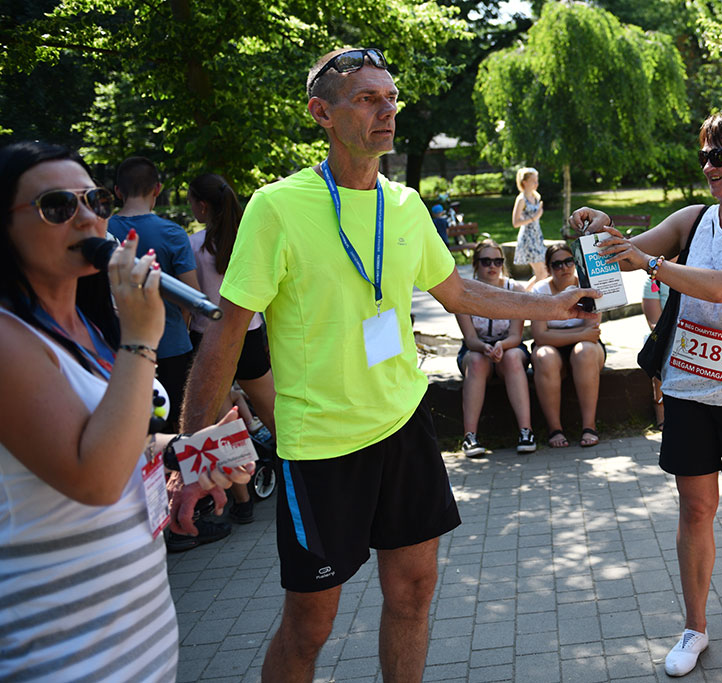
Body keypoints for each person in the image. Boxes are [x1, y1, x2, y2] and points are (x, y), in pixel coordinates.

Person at [177, 47, 597, 682]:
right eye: (367, 99)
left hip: (403, 426)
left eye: (391, 98)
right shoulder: (276, 207)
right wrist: (190, 452)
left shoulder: (404, 205)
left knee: (413, 592)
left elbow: (457, 291)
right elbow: (227, 332)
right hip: (318, 448)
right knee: (311, 623)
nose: (387, 111)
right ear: (322, 113)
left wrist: (549, 301)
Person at [0, 141, 250, 682]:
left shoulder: (87, 330)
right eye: (58, 206)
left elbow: (118, 447)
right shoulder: (7, 340)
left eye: (94, 199)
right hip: (59, 654)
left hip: (136, 641)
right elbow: (94, 478)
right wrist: (141, 337)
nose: (87, 215)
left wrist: (186, 458)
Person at [570, 113, 722, 677]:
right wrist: (602, 230)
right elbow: (618, 256)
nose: (708, 166)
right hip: (690, 389)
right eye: (704, 155)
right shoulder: (693, 220)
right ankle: (694, 628)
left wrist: (652, 264)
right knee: (695, 508)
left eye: (719, 156)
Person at [187, 172, 277, 525]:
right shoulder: (247, 239)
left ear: (202, 205)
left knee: (224, 425)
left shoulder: (194, 245)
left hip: (208, 341)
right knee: (276, 416)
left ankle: (242, 502)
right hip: (251, 336)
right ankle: (300, 482)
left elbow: (191, 302)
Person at [107, 156, 201, 432]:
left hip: (118, 347)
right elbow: (191, 296)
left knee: (129, 430)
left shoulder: (103, 232)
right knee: (175, 428)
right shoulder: (173, 233)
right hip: (171, 345)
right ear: (157, 189)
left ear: (117, 192)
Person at [456, 239, 536, 458]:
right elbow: (470, 338)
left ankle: (525, 432)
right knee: (476, 361)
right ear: (476, 264)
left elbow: (515, 336)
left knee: (511, 358)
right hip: (476, 349)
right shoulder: (463, 292)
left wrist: (500, 345)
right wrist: (484, 347)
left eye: (498, 261)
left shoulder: (515, 290)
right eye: (486, 261)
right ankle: (470, 437)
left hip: (509, 347)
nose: (492, 266)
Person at [530, 242, 606, 448]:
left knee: (586, 351)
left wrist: (562, 334)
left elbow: (592, 334)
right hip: (553, 350)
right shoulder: (540, 290)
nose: (563, 268)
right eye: (557, 264)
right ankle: (555, 429)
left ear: (575, 263)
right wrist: (580, 333)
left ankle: (589, 426)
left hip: (585, 349)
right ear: (548, 268)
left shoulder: (587, 287)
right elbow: (539, 338)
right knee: (543, 356)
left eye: (568, 261)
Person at [642, 264, 672, 430]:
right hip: (665, 334)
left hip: (690, 335)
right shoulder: (654, 283)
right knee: (662, 349)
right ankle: (660, 408)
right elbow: (654, 323)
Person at [512, 167, 546, 289]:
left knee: (543, 272)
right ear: (524, 182)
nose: (536, 184)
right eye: (533, 181)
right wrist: (534, 217)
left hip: (537, 236)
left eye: (537, 181)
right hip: (528, 238)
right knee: (541, 273)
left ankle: (525, 293)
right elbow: (515, 223)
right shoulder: (521, 199)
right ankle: (528, 296)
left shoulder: (536, 196)